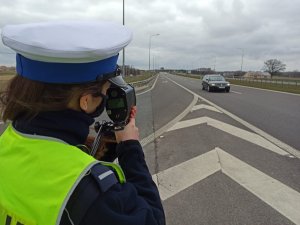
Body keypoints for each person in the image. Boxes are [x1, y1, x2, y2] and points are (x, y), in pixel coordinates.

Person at [0, 21, 165, 225]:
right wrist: (130, 147)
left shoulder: (5, 144)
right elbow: (153, 219)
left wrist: (93, 149)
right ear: (86, 101)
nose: (105, 98)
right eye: (105, 91)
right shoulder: (94, 193)